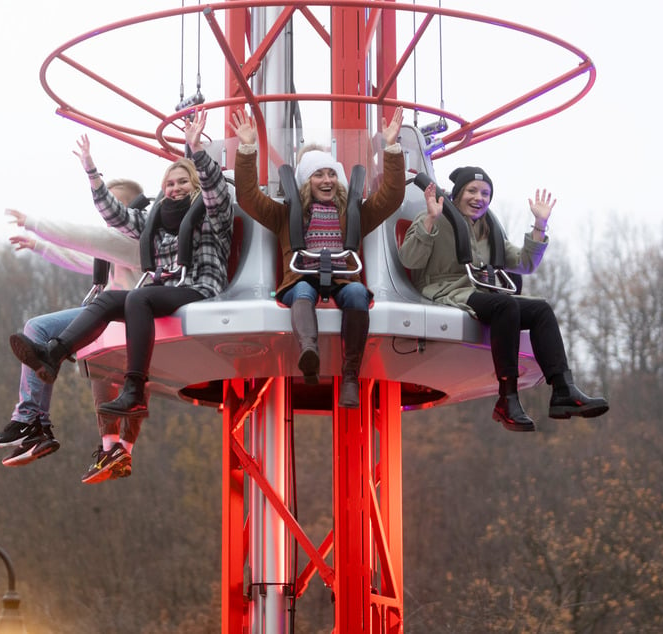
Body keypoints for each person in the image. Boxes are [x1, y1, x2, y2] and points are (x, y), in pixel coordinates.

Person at [9, 107, 234, 476]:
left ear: (193, 186)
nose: (175, 188)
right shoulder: (156, 219)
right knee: (110, 299)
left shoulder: (212, 214)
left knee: (136, 297)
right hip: (165, 292)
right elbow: (115, 217)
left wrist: (195, 150)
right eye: (170, 183)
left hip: (198, 288)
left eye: (182, 182)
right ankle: (53, 354)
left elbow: (215, 190)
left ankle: (133, 391)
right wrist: (91, 171)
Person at [398, 166, 609, 432]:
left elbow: (525, 262)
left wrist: (540, 224)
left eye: (485, 193)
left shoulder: (488, 230)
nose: (479, 198)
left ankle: (562, 389)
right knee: (506, 305)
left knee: (541, 309)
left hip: (479, 293)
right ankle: (507, 398)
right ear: (458, 193)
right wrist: (430, 219)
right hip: (444, 290)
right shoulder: (436, 218)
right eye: (472, 191)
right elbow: (409, 259)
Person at [228, 106, 406, 408]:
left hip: (343, 276)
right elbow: (248, 197)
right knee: (301, 291)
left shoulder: (353, 213)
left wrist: (391, 149)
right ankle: (308, 350)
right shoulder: (286, 214)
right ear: (305, 181)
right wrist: (247, 149)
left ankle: (351, 374)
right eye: (319, 175)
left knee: (357, 295)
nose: (327, 180)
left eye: (331, 174)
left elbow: (391, 197)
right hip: (301, 275)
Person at [0, 181, 149, 481]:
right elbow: (83, 258)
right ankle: (32, 421)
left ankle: (119, 446)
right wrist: (40, 247)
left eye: (113, 208)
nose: (107, 216)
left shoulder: (137, 240)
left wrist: (36, 225)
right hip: (105, 315)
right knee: (38, 328)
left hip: (131, 316)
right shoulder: (110, 249)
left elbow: (82, 239)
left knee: (115, 377)